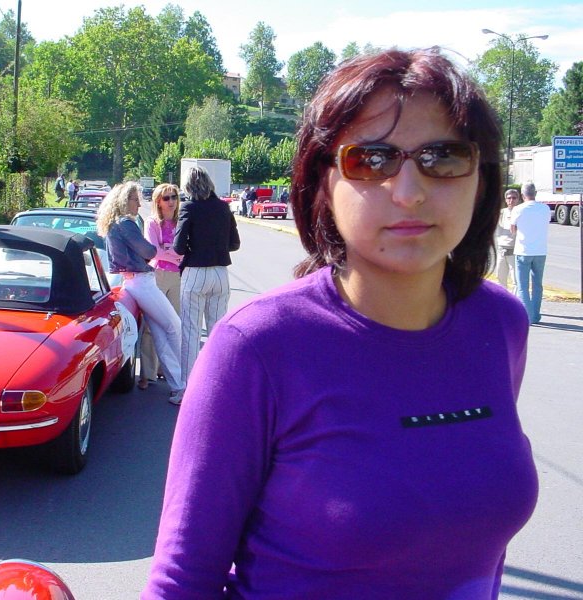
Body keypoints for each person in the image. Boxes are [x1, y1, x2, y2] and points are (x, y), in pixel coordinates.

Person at [144, 48, 538, 598]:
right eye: (371, 160)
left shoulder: (500, 324)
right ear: (324, 184)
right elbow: (182, 582)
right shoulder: (257, 348)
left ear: (482, 179)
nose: (410, 192)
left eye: (444, 157)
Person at [96, 182, 185, 404]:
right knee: (174, 326)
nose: (139, 204)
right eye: (136, 200)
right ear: (124, 201)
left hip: (132, 281)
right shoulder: (126, 223)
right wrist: (155, 251)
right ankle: (187, 379)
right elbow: (148, 250)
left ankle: (179, 387)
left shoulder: (114, 224)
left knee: (160, 334)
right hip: (142, 282)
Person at [173, 166, 240, 395]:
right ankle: (217, 386)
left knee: (191, 332)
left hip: (195, 272)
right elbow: (234, 244)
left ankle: (187, 389)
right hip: (220, 272)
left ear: (188, 186)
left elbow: (179, 247)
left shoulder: (189, 208)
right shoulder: (223, 207)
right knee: (216, 331)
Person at [138, 184, 183, 390]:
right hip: (157, 275)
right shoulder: (152, 222)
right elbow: (154, 251)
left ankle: (167, 370)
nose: (171, 201)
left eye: (174, 197)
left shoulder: (181, 221)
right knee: (151, 325)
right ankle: (148, 373)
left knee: (174, 324)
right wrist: (175, 255)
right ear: (158, 201)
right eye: (166, 198)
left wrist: (171, 252)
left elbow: (187, 248)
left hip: (178, 276)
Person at [511, 181, 551, 324]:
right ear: (536, 193)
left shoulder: (518, 209)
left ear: (522, 195)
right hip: (540, 250)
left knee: (522, 285)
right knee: (537, 285)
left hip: (523, 250)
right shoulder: (545, 208)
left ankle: (528, 316)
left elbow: (513, 229)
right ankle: (535, 314)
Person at [495, 188, 520, 290]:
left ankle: (515, 298)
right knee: (500, 278)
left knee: (515, 280)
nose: (511, 200)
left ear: (518, 199)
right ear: (505, 200)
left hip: (514, 251)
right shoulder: (501, 213)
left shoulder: (520, 212)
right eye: (509, 198)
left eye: (514, 198)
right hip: (501, 249)